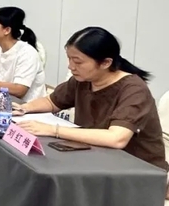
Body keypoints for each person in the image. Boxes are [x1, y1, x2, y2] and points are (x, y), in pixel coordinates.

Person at [14, 27, 168, 170]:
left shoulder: (134, 89)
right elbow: (52, 102)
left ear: (106, 63)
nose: (71, 66)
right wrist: (25, 108)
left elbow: (116, 138)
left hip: (137, 169)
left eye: (78, 62)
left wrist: (53, 130)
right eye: (69, 59)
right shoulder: (83, 79)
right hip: (94, 158)